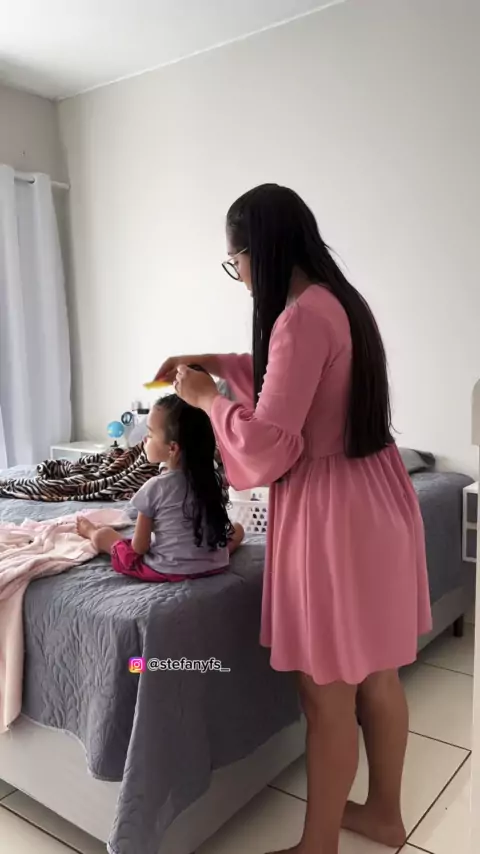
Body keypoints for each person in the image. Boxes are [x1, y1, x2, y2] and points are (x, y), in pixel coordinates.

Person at [156, 184, 432, 854]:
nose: (241, 276)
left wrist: (207, 400)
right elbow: (285, 376)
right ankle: (384, 815)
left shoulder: (301, 318)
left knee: (326, 696)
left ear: (260, 251)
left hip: (335, 514)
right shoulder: (341, 302)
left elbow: (266, 448)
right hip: (378, 496)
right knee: (378, 676)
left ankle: (317, 848)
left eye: (236, 262)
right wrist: (215, 365)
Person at [77, 394, 244, 581]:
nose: (144, 440)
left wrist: (100, 534)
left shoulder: (154, 487)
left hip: (168, 569)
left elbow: (140, 547)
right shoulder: (211, 480)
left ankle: (90, 532)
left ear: (172, 448)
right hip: (214, 565)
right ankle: (207, 558)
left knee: (106, 535)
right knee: (237, 529)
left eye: (149, 434)